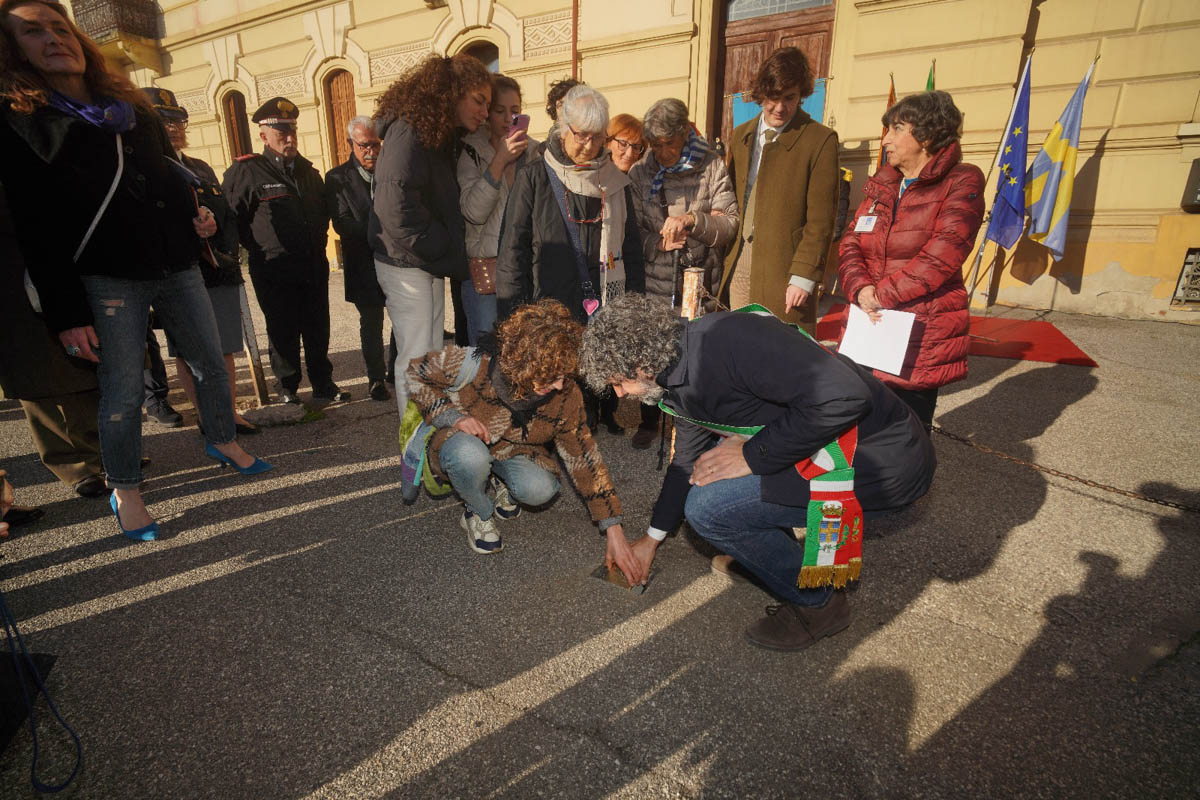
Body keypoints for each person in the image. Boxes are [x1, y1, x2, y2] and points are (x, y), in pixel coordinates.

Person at [0, 0, 270, 542]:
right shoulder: (22, 121)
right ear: (12, 51)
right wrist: (67, 313)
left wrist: (200, 221)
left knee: (211, 364)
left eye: (60, 26)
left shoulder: (127, 105)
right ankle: (125, 489)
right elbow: (34, 227)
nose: (55, 38)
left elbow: (164, 180)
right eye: (33, 32)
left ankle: (221, 438)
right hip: (106, 276)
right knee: (122, 391)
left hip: (174, 263)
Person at [579, 294, 936, 651]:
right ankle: (766, 553)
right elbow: (686, 462)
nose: (620, 394)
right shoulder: (673, 375)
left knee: (709, 509)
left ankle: (819, 603)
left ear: (642, 362)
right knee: (714, 466)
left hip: (886, 458)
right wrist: (650, 541)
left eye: (619, 382)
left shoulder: (732, 340)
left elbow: (846, 396)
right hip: (832, 441)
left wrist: (752, 455)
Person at [406, 300, 643, 581]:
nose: (558, 385)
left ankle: (499, 479)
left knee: (541, 488)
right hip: (463, 441)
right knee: (469, 458)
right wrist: (453, 417)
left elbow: (585, 458)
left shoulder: (566, 393)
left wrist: (613, 529)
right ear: (524, 363)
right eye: (551, 376)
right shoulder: (476, 363)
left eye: (563, 375)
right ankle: (477, 510)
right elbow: (415, 373)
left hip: (513, 449)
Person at [495, 84, 644, 433]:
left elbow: (632, 250)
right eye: (582, 136)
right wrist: (514, 319)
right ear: (564, 128)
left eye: (597, 137)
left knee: (592, 386)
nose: (589, 146)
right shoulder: (534, 177)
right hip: (549, 303)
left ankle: (587, 432)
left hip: (602, 302)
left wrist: (631, 306)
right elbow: (513, 251)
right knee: (551, 389)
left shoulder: (615, 183)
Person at [838, 90, 985, 431]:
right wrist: (860, 289)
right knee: (859, 426)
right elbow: (851, 242)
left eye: (896, 128)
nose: (886, 139)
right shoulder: (882, 185)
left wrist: (880, 295)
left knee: (907, 435)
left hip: (919, 331)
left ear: (927, 135)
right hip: (867, 324)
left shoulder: (962, 180)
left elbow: (943, 253)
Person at [369, 53, 491, 416]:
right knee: (417, 358)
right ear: (452, 92)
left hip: (422, 261)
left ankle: (428, 446)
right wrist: (443, 247)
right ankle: (414, 456)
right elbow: (395, 208)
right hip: (408, 262)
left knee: (429, 355)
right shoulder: (410, 130)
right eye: (479, 101)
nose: (484, 112)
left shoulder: (432, 131)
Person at [143, 87, 259, 433]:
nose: (175, 128)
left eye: (179, 120)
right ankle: (210, 419)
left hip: (216, 269)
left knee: (225, 347)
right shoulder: (146, 171)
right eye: (165, 121)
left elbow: (224, 213)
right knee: (190, 353)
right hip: (179, 274)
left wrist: (212, 222)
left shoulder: (199, 167)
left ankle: (228, 412)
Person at [627, 98, 738, 449]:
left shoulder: (712, 167)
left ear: (685, 133)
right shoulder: (640, 173)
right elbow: (632, 233)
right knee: (654, 353)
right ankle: (650, 419)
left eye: (668, 144)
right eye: (655, 145)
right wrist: (657, 244)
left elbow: (730, 225)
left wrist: (694, 221)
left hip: (698, 280)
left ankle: (694, 425)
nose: (661, 152)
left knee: (697, 355)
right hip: (655, 282)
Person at [223, 95, 347, 406]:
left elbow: (322, 214)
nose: (289, 139)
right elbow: (230, 218)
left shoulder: (308, 172)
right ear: (264, 135)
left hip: (312, 265)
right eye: (282, 133)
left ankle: (323, 383)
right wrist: (237, 257)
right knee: (283, 330)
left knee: (318, 327)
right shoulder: (248, 171)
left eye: (292, 131)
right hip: (274, 268)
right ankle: (288, 386)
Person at [719, 46, 839, 333]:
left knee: (782, 352)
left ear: (802, 96)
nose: (780, 108)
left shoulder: (820, 140)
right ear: (761, 94)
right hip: (740, 261)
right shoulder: (741, 135)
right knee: (738, 341)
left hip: (784, 266)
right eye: (773, 97)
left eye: (790, 98)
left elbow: (822, 220)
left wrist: (804, 276)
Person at [0, 183, 105, 497]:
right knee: (40, 377)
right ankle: (76, 466)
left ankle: (107, 450)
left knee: (85, 363)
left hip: (60, 265)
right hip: (12, 279)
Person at [457, 73, 538, 346]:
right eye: (500, 111)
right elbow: (473, 212)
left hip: (527, 268)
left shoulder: (536, 153)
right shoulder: (471, 153)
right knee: (486, 351)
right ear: (488, 115)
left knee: (526, 350)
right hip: (486, 271)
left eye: (514, 112)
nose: (507, 120)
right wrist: (500, 160)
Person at [325, 115, 395, 402]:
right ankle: (376, 379)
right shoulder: (337, 178)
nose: (371, 152)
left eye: (376, 145)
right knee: (372, 322)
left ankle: (396, 370)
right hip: (363, 264)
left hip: (395, 262)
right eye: (364, 146)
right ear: (350, 144)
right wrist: (384, 234)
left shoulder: (391, 171)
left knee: (402, 321)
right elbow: (342, 224)